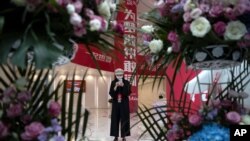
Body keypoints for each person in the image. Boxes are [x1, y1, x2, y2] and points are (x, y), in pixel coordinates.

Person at [109, 68, 131, 141]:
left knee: (124, 119)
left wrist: (123, 86)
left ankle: (124, 136)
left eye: (120, 74)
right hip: (116, 103)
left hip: (124, 103)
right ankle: (115, 136)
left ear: (123, 74)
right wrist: (115, 87)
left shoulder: (127, 82)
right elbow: (111, 93)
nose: (119, 76)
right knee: (115, 119)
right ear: (115, 75)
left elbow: (128, 93)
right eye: (117, 75)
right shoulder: (113, 82)